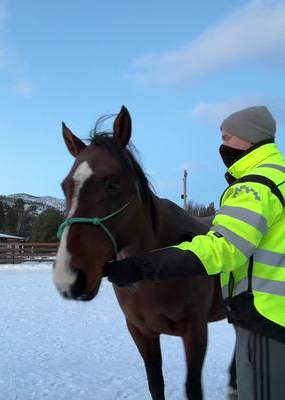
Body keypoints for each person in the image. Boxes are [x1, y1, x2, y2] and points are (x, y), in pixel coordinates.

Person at [104, 106, 285, 400]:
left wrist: (142, 266)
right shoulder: (280, 177)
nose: (222, 146)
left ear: (249, 138)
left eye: (227, 137)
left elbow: (223, 249)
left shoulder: (255, 187)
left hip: (268, 319)